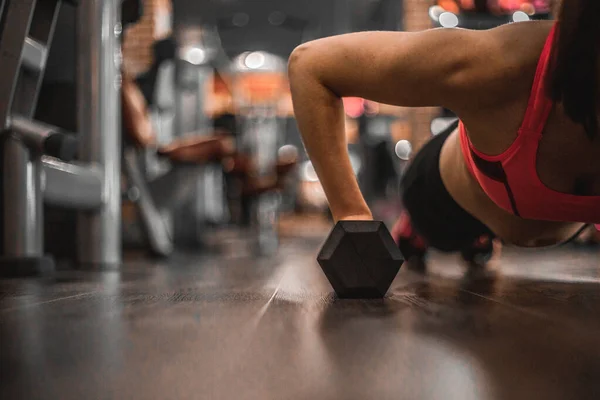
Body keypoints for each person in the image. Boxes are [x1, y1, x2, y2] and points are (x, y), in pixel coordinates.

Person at [288, 0, 600, 267]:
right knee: (442, 234)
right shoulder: (499, 63)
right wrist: (352, 218)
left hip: (522, 209)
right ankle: (415, 230)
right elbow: (311, 65)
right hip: (441, 195)